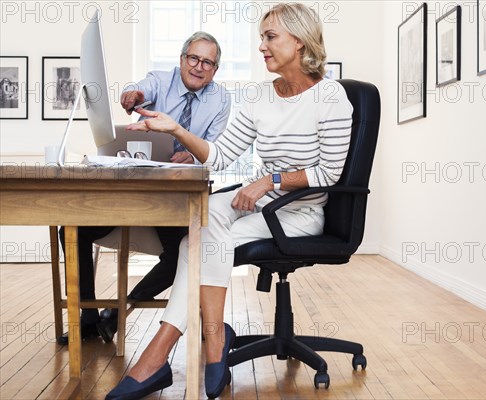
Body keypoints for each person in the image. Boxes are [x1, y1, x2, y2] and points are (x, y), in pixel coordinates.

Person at [105, 3, 353, 399]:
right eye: (262, 38)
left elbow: (330, 175)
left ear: (300, 41)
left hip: (299, 212)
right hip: (261, 203)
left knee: (203, 241)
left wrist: (269, 180)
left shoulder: (332, 98)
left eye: (270, 37)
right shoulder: (258, 96)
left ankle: (160, 355)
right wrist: (176, 129)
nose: (262, 47)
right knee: (198, 225)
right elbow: (219, 155)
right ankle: (213, 340)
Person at [57, 31, 231, 346]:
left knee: (186, 254)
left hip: (177, 198)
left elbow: (215, 148)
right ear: (182, 60)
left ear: (215, 70)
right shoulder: (159, 81)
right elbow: (137, 89)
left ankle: (120, 310)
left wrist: (191, 155)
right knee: (72, 229)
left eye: (208, 62)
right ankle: (87, 318)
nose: (199, 66)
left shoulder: (221, 100)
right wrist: (131, 95)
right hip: (133, 192)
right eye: (194, 58)